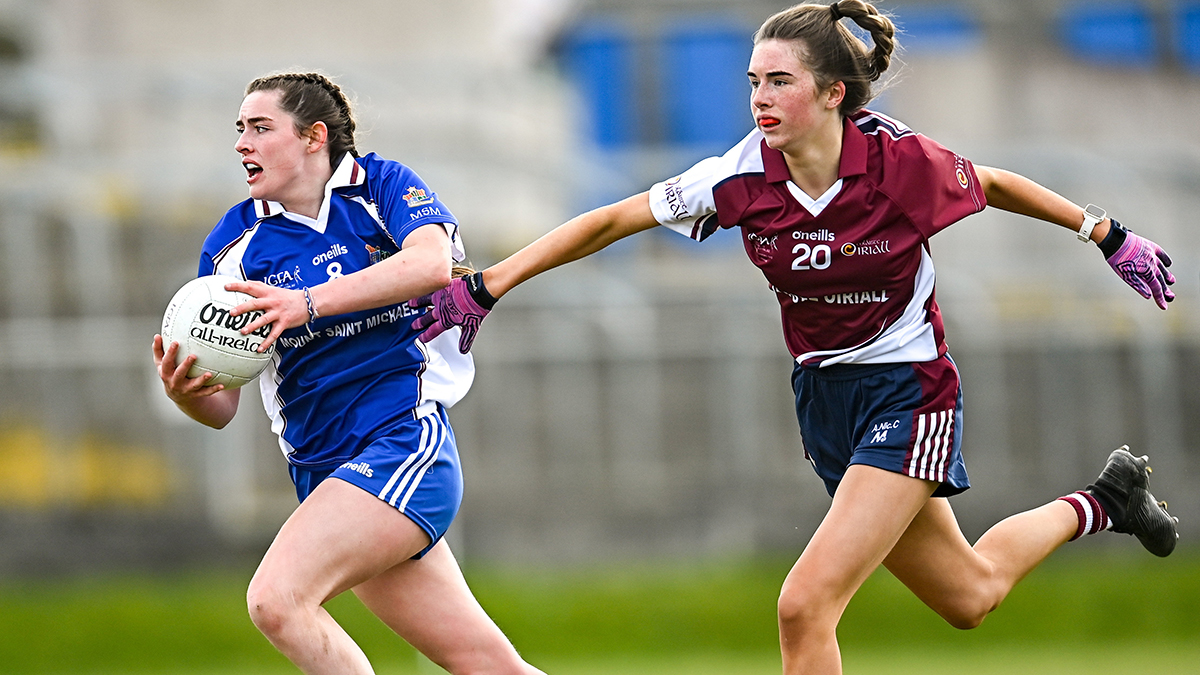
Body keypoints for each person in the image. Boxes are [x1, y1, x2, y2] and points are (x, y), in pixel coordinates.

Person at [410, 3, 1181, 674]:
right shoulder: (739, 178)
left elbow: (999, 182)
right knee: (969, 594)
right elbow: (612, 220)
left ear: (832, 93)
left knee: (803, 606)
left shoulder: (900, 165)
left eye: (779, 81)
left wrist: (1104, 232)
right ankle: (1107, 500)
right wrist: (488, 284)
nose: (759, 98)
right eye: (752, 81)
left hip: (908, 393)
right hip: (824, 398)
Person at [152, 71, 544, 675]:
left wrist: (307, 302)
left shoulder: (380, 186)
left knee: (276, 602)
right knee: (491, 667)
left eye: (260, 128)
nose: (242, 145)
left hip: (400, 447)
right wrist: (187, 391)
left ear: (313, 137)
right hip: (325, 474)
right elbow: (222, 407)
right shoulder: (232, 243)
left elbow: (431, 263)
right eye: (239, 130)